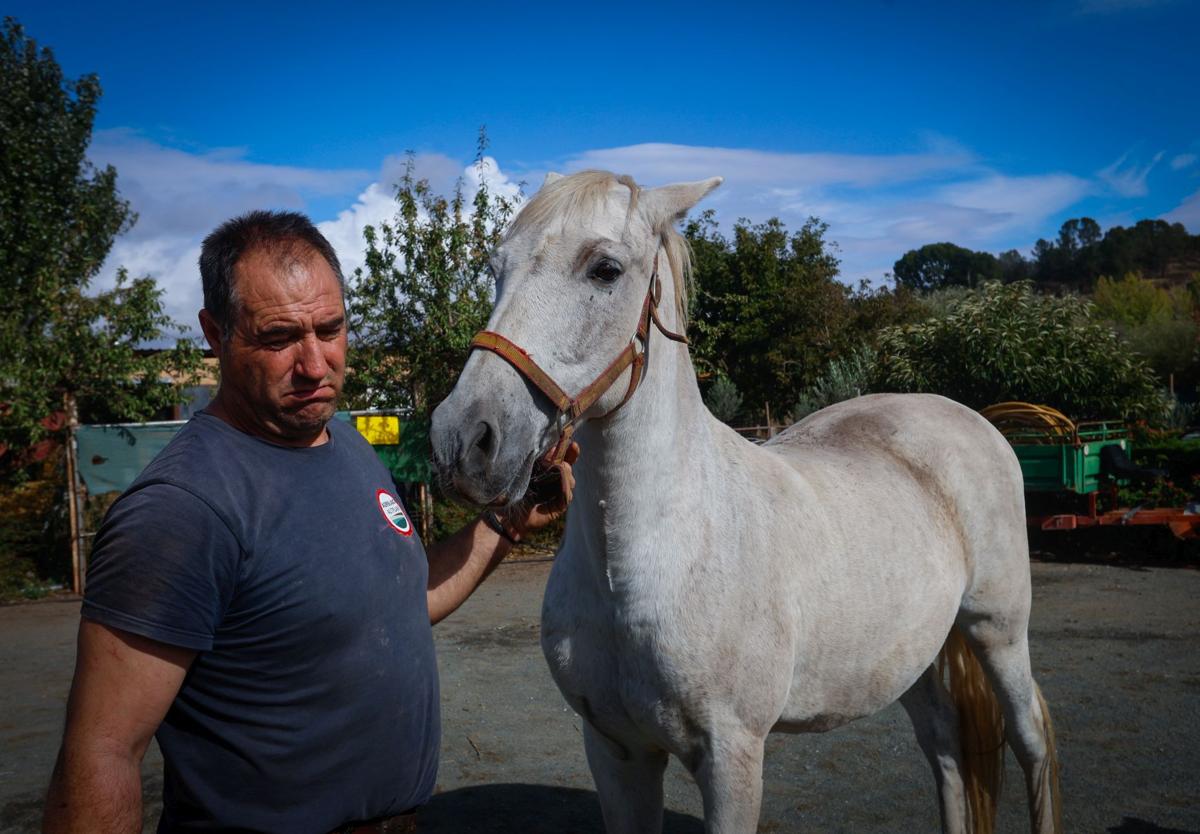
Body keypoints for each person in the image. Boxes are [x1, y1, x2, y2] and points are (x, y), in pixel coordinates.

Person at [42, 210, 576, 834]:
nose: (315, 365)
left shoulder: (342, 442)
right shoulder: (181, 509)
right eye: (278, 338)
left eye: (331, 329)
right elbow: (103, 750)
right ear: (215, 334)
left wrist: (506, 523)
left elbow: (401, 601)